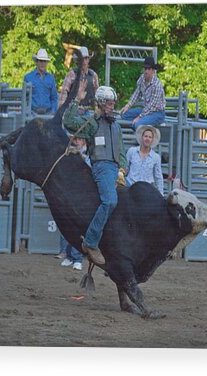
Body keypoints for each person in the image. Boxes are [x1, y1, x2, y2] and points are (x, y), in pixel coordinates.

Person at [63, 80, 127, 266]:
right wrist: (76, 100)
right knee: (110, 201)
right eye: (108, 103)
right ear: (99, 103)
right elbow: (68, 122)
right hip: (102, 167)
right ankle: (90, 242)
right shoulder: (91, 123)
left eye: (113, 103)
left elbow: (121, 151)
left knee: (131, 201)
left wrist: (123, 169)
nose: (112, 106)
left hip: (117, 170)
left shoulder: (116, 126)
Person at [58, 137, 91, 270]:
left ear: (84, 142)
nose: (76, 142)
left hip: (83, 194)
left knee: (79, 226)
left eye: (79, 139)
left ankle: (77, 258)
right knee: (69, 225)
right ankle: (70, 256)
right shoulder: (70, 154)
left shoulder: (88, 156)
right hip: (72, 193)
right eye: (75, 139)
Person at [120, 57, 165, 130]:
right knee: (124, 114)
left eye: (149, 69)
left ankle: (138, 138)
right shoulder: (142, 78)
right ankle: (136, 130)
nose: (146, 71)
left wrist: (139, 117)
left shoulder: (157, 85)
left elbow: (151, 107)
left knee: (139, 124)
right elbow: (137, 93)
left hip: (157, 113)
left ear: (153, 70)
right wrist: (128, 105)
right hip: (145, 110)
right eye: (145, 68)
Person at [58, 46, 99, 115]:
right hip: (73, 110)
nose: (84, 61)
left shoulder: (93, 75)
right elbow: (64, 93)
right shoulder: (71, 74)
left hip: (89, 111)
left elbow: (97, 95)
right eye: (81, 59)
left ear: (88, 60)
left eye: (86, 58)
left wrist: (97, 109)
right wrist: (61, 111)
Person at [126, 125, 163, 193]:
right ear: (142, 137)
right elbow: (125, 168)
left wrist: (161, 194)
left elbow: (158, 177)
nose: (147, 139)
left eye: (150, 137)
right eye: (145, 136)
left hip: (147, 189)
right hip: (130, 187)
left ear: (152, 140)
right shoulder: (132, 151)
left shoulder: (156, 157)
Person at [24, 48, 58, 115]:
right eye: (41, 61)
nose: (43, 63)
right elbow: (25, 98)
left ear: (47, 62)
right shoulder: (28, 77)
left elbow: (54, 98)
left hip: (48, 113)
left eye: (45, 61)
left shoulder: (51, 78)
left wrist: (53, 111)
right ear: (36, 62)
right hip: (33, 113)